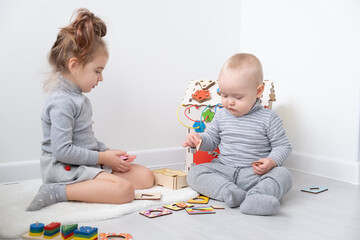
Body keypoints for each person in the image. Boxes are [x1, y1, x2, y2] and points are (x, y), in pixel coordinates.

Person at [27, 8, 154, 211]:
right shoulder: (61, 101)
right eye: (98, 71)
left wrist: (106, 152)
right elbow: (62, 151)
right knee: (125, 191)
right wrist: (103, 159)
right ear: (74, 65)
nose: (101, 78)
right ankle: (57, 191)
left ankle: (96, 182)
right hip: (64, 169)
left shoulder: (78, 98)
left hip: (84, 163)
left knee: (145, 177)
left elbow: (85, 140)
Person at [182, 53, 292, 216]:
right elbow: (211, 140)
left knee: (283, 175)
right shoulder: (221, 114)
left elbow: (283, 146)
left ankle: (257, 196)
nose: (229, 102)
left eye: (238, 97)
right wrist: (199, 140)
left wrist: (271, 161)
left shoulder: (269, 119)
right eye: (224, 95)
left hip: (254, 174)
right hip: (224, 170)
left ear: (258, 91)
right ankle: (230, 193)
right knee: (194, 174)